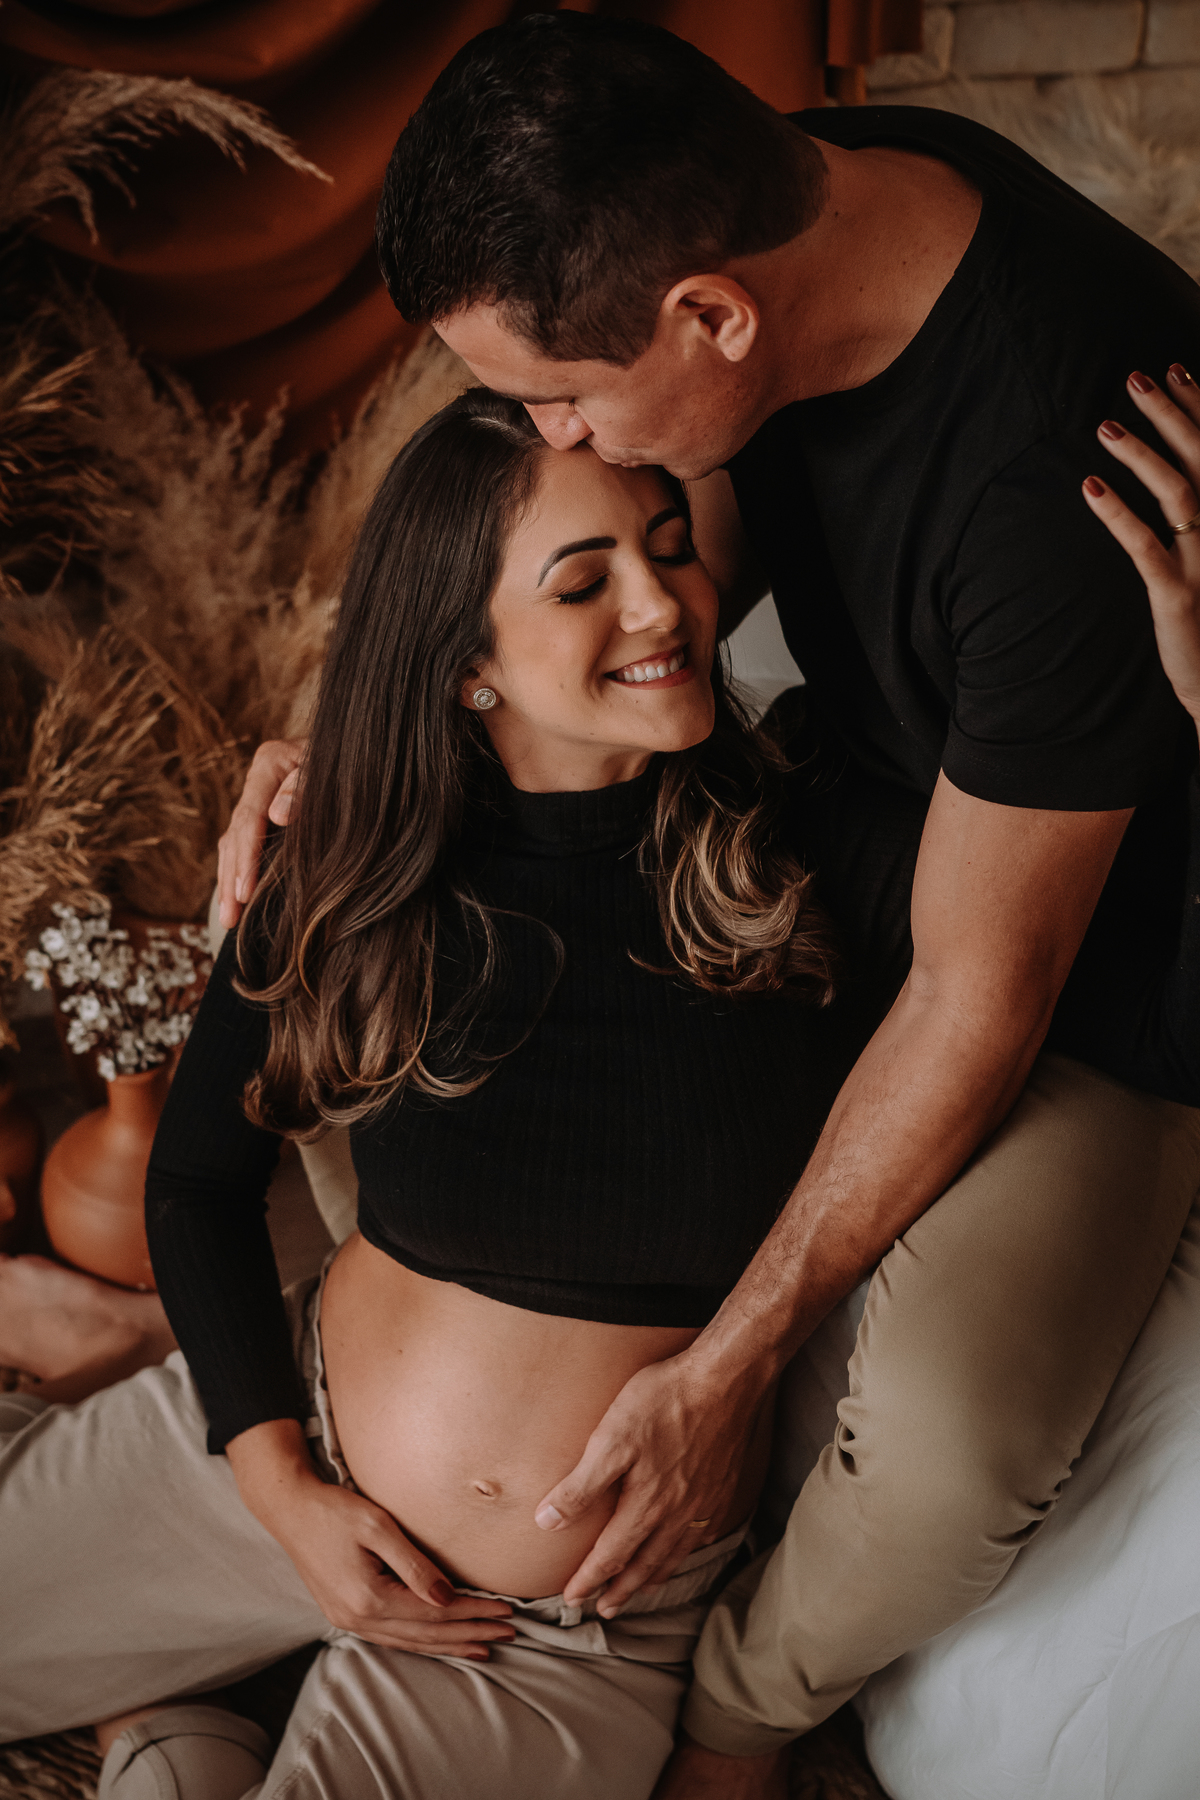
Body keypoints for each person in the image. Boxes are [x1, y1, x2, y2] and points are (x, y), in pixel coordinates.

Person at [218, 16, 1200, 1796]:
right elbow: (691, 542)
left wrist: (730, 1370)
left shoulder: (1063, 468)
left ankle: (739, 1727)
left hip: (1094, 952)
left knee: (955, 1439)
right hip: (863, 806)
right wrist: (380, 729)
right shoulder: (798, 184)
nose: (553, 434)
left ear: (714, 319)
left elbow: (984, 986)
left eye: (564, 401)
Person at [3, 380, 1195, 1799]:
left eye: (671, 544)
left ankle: (179, 1734)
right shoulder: (355, 861)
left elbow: (1137, 986)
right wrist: (274, 1478)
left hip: (561, 1630)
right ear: (467, 665)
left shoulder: (803, 839)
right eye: (584, 583)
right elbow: (199, 1183)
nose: (663, 603)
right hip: (279, 1460)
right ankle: (190, 1695)